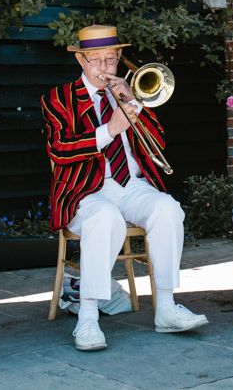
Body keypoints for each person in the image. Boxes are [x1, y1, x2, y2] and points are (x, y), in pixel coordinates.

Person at [41, 24, 207, 351]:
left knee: (168, 209)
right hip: (85, 191)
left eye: (110, 60)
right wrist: (110, 129)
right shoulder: (58, 98)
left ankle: (167, 307)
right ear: (81, 61)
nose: (104, 68)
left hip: (130, 185)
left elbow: (158, 144)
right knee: (105, 218)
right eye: (95, 60)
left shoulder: (127, 93)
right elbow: (59, 150)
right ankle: (87, 318)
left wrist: (136, 108)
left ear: (119, 59)